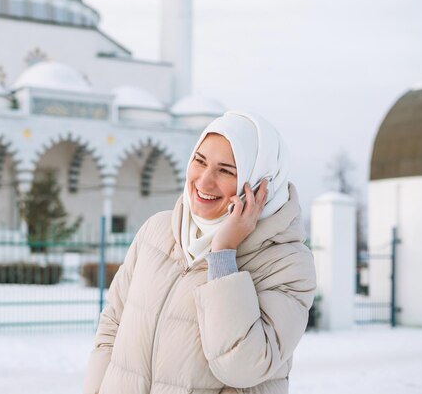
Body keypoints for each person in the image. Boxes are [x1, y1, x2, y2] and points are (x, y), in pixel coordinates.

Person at [83, 111, 316, 394]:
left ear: (259, 183)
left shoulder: (287, 263)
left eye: (226, 170)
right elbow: (111, 330)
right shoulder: (157, 232)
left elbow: (243, 367)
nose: (204, 182)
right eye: (200, 161)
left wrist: (223, 255)